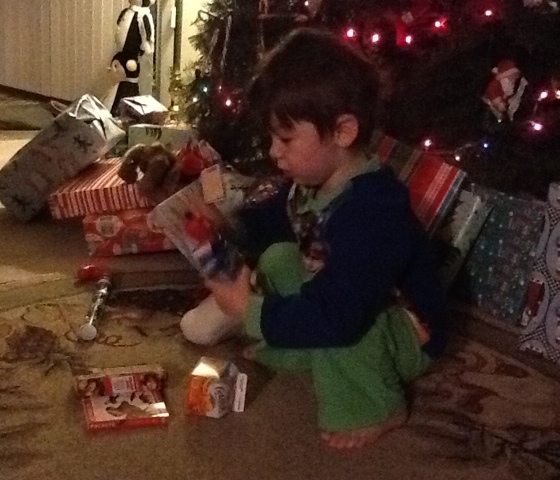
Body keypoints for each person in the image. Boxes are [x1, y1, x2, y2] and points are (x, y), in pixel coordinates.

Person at [180, 28, 449, 451]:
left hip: (404, 331)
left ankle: (380, 406)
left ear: (343, 132)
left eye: (286, 138)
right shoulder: (311, 183)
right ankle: (302, 348)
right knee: (278, 258)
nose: (274, 151)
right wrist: (222, 225)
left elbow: (341, 314)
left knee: (337, 324)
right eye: (272, 138)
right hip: (345, 299)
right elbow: (271, 225)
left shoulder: (374, 210)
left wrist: (250, 311)